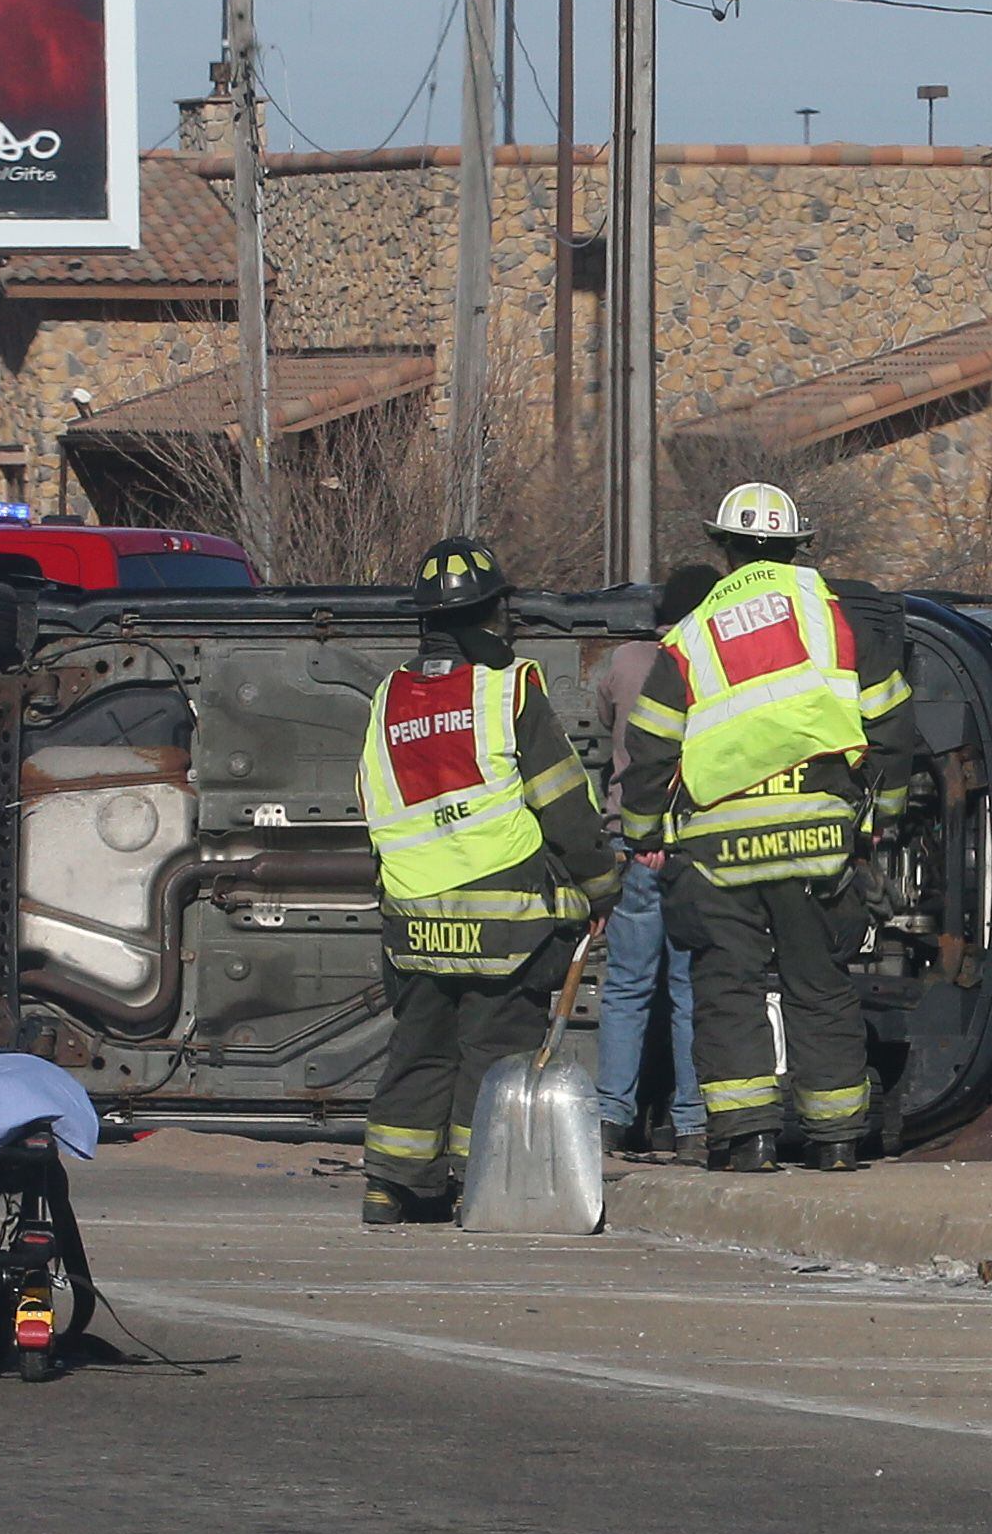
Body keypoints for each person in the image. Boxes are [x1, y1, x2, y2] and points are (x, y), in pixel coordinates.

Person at [619, 484, 916, 1174]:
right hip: (816, 834)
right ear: (794, 548)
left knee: (729, 988)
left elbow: (651, 745)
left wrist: (643, 835)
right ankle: (837, 1140)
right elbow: (891, 719)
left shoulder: (689, 635)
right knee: (820, 984)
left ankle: (747, 1137)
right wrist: (886, 814)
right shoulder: (832, 615)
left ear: (722, 551)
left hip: (721, 845)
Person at [352, 535, 618, 1225]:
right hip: (502, 913)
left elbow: (370, 800)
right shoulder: (509, 686)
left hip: (411, 913)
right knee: (494, 1055)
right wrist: (598, 882)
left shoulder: (388, 694)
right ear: (494, 612)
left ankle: (389, 1181)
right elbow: (560, 797)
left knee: (418, 1048)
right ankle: (481, 1178)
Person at [594, 564, 722, 1160]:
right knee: (692, 989)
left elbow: (605, 724)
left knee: (625, 988)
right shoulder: (715, 663)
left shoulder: (625, 662)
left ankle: (610, 1119)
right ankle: (693, 1124)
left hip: (629, 845)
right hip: (693, 846)